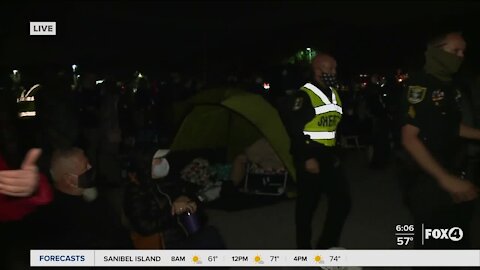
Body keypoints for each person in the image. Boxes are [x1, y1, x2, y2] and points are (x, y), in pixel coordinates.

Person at [399, 31, 479, 250]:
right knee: (433, 248)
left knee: (458, 241)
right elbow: (410, 138)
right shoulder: (419, 86)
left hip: (454, 167)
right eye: (455, 51)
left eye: (463, 52)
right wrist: (445, 179)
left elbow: (451, 126)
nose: (460, 56)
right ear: (436, 52)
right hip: (428, 179)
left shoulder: (448, 86)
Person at [284, 53, 351, 249]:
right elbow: (295, 129)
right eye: (330, 69)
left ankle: (326, 246)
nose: (334, 73)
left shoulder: (334, 93)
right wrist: (307, 158)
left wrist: (338, 152)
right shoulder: (304, 95)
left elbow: (334, 127)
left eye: (335, 69)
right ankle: (303, 250)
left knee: (342, 202)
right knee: (307, 206)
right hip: (309, 153)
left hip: (329, 155)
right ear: (317, 70)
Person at [25, 147, 132, 249]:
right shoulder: (59, 220)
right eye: (85, 167)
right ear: (69, 179)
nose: (90, 168)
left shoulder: (93, 193)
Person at [124, 147, 225, 249]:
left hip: (181, 231)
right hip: (164, 244)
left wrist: (186, 198)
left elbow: (182, 191)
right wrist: (172, 211)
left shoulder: (160, 182)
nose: (163, 162)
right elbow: (145, 227)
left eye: (163, 158)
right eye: (158, 160)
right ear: (145, 164)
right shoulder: (134, 193)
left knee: (210, 234)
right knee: (209, 238)